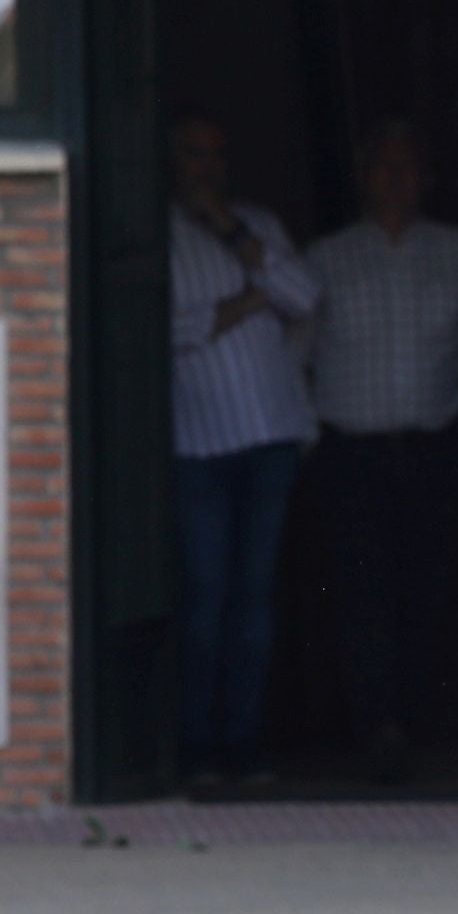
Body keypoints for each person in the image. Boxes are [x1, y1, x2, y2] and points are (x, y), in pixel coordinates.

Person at [304, 122, 458, 783]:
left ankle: (418, 724)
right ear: (365, 178)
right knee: (359, 591)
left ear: (424, 179)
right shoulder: (326, 258)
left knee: (426, 587)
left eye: (407, 166)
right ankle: (374, 727)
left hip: (432, 445)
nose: (395, 178)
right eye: (383, 166)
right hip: (351, 451)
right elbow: (291, 342)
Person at [166, 114, 321, 789]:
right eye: (194, 154)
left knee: (254, 601)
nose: (206, 167)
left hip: (272, 436)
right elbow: (171, 328)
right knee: (206, 601)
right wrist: (253, 299)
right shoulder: (159, 234)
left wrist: (235, 236)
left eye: (215, 154)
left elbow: (308, 296)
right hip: (201, 444)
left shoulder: (255, 224)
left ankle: (245, 747)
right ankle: (198, 751)